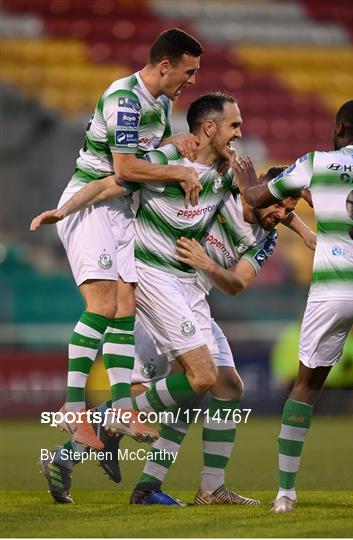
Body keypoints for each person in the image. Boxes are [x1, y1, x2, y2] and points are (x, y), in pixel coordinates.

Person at [36, 164, 315, 505]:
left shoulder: (266, 236)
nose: (282, 215)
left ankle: (194, 486)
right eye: (279, 206)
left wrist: (298, 230)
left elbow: (239, 282)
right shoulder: (222, 193)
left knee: (224, 386)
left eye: (289, 212)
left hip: (193, 299)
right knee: (196, 380)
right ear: (260, 190)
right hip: (158, 288)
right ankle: (102, 443)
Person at [32, 28, 204, 450]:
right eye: (189, 70)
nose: (193, 80)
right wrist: (178, 169)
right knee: (104, 305)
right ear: (165, 66)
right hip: (91, 204)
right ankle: (73, 410)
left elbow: (142, 154)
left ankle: (122, 407)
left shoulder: (161, 103)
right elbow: (126, 168)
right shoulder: (123, 100)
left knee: (125, 305)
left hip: (120, 209)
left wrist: (171, 143)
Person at [235, 99, 353, 513]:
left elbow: (260, 198)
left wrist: (245, 179)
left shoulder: (318, 162)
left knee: (306, 385)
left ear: (339, 127)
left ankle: (285, 495)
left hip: (333, 289)